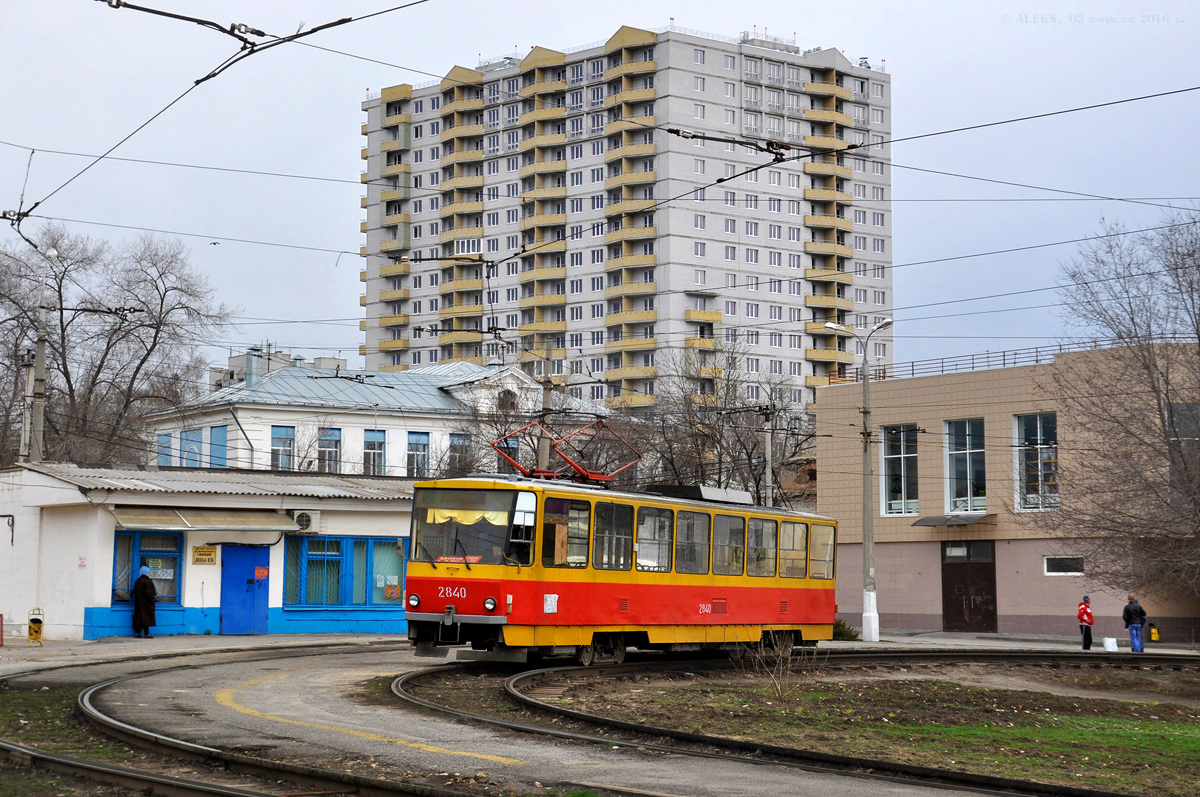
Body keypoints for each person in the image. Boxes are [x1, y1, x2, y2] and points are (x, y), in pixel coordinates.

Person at [132, 565, 156, 639]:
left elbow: (135, 591)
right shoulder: (148, 581)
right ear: (146, 573)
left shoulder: (137, 581)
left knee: (139, 618)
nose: (150, 574)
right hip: (146, 603)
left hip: (138, 603)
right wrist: (153, 601)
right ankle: (147, 634)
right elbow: (150, 593)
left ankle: (137, 633)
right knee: (147, 618)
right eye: (149, 572)